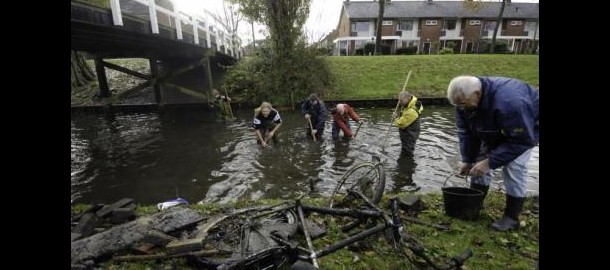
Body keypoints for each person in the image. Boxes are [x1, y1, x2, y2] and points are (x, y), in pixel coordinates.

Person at [446, 75, 539, 231]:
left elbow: (522, 140)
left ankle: (511, 217)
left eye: (463, 104)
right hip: (492, 126)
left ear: (477, 94)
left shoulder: (510, 103)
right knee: (478, 161)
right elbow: (466, 132)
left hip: (525, 128)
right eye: (457, 105)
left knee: (514, 167)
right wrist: (468, 159)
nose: (461, 108)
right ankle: (475, 204)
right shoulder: (463, 103)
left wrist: (490, 162)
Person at [392, 91, 423, 156]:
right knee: (407, 148)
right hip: (410, 132)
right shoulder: (410, 105)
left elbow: (401, 124)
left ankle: (407, 164)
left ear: (408, 98)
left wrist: (395, 118)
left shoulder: (412, 111)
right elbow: (405, 117)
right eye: (399, 100)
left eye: (401, 100)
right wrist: (398, 116)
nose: (400, 103)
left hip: (409, 135)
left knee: (407, 153)